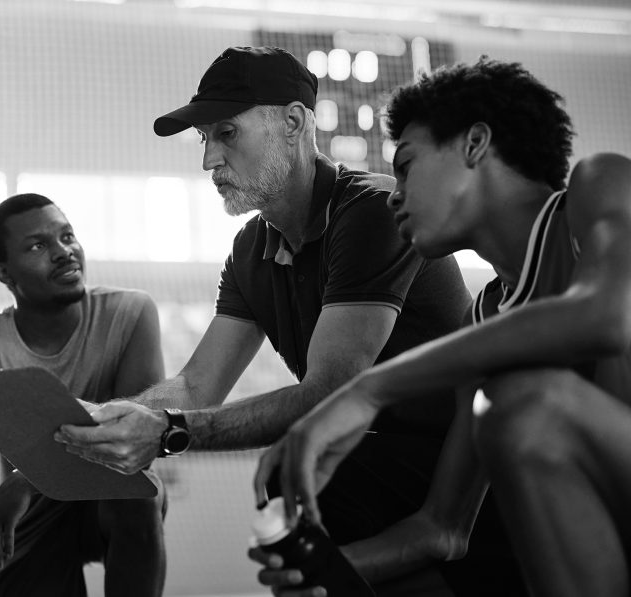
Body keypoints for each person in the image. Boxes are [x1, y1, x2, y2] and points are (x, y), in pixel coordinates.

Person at [56, 46, 523, 594]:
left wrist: (168, 431)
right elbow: (197, 384)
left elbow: (330, 392)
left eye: (226, 133)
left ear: (294, 123)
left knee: (309, 466)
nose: (209, 160)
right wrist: (107, 418)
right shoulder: (251, 250)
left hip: (470, 471)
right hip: (372, 466)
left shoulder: (374, 211)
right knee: (303, 479)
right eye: (204, 139)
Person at [265, 57, 631, 597]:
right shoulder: (481, 317)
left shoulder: (597, 189)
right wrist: (322, 572)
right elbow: (443, 529)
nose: (393, 192)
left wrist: (369, 388)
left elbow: (607, 317)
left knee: (521, 402)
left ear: (475, 144)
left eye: (407, 164)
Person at [0, 193, 167, 597]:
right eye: (38, 246)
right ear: (5, 274)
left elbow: (127, 442)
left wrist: (23, 482)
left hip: (106, 494)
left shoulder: (131, 314)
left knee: (136, 492)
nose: (64, 252)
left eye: (67, 236)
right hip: (29, 516)